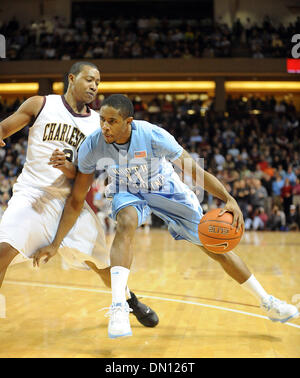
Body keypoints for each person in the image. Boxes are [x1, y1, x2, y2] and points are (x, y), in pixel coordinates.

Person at [34, 94, 299, 339]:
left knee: (217, 249)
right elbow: (78, 183)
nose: (104, 126)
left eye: (112, 121)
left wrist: (228, 198)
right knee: (125, 222)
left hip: (168, 192)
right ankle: (118, 306)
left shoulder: (152, 135)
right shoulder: (94, 144)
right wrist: (66, 171)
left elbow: (194, 170)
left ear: (128, 122)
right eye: (102, 119)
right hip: (128, 192)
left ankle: (268, 302)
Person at [0, 63, 158, 328]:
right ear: (72, 78)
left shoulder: (98, 127)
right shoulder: (40, 104)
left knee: (103, 265)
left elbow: (83, 177)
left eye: (98, 82)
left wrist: (68, 167)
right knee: (2, 251)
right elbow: (4, 129)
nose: (95, 86)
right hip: (32, 195)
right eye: (89, 79)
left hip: (70, 201)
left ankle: (129, 299)